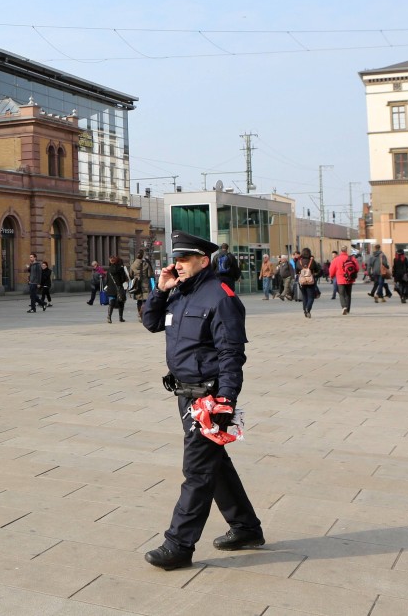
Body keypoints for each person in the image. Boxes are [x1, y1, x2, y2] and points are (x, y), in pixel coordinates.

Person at [141, 231, 263, 571]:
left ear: (203, 260)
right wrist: (159, 289)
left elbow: (231, 353)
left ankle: (178, 545)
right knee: (214, 465)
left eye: (183, 259)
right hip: (184, 393)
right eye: (175, 259)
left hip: (209, 398)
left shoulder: (220, 297)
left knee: (197, 470)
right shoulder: (180, 292)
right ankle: (246, 528)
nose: (176, 264)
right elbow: (151, 322)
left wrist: (226, 400)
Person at [329, 247, 359, 315]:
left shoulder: (336, 259)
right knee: (348, 294)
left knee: (341, 294)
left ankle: (344, 306)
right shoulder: (351, 258)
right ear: (346, 250)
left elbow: (332, 269)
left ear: (341, 251)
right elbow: (357, 268)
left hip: (340, 279)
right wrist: (353, 273)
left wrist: (331, 276)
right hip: (349, 278)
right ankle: (348, 309)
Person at [295, 247, 322, 318]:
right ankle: (308, 309)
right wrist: (315, 275)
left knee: (304, 296)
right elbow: (318, 270)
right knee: (311, 297)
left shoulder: (299, 262)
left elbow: (296, 272)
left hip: (302, 282)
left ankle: (305, 311)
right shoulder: (312, 261)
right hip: (311, 282)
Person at [104, 255, 129, 323]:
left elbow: (107, 280)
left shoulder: (109, 269)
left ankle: (109, 317)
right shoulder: (120, 269)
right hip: (119, 287)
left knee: (111, 302)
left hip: (111, 288)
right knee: (121, 302)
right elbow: (123, 279)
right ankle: (120, 318)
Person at [130, 249, 152, 317]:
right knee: (145, 300)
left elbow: (131, 275)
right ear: (142, 256)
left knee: (139, 300)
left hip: (137, 284)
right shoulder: (146, 264)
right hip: (145, 284)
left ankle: (140, 314)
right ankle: (143, 313)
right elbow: (149, 275)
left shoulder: (133, 265)